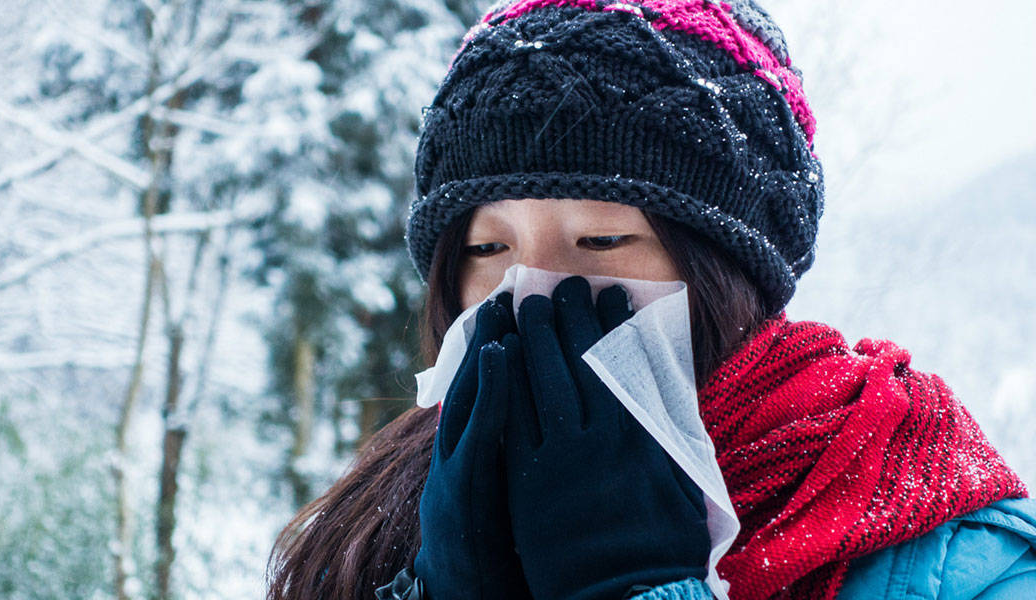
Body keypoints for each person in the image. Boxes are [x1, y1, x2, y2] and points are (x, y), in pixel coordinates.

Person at [266, 1, 1036, 598]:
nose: (529, 293)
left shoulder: (946, 548)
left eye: (601, 243)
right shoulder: (393, 511)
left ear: (728, 272)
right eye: (487, 250)